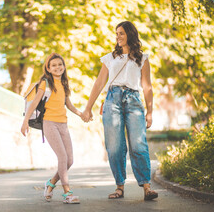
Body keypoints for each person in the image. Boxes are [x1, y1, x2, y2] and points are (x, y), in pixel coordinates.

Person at [81, 21, 158, 201]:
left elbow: (147, 87)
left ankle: (147, 187)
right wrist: (88, 108)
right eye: (116, 34)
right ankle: (119, 187)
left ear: (130, 34)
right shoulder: (110, 58)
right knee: (115, 147)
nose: (118, 37)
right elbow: (99, 83)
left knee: (138, 145)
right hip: (112, 101)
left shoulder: (143, 58)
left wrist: (150, 111)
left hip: (133, 100)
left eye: (121, 33)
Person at [21, 53, 81, 204]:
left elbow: (69, 104)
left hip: (63, 124)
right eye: (53, 65)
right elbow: (34, 103)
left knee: (70, 160)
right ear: (48, 68)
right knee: (62, 157)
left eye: (60, 64)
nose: (57, 67)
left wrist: (82, 114)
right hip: (49, 123)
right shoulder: (45, 83)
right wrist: (25, 121)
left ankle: (51, 183)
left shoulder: (65, 83)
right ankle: (68, 193)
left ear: (64, 66)